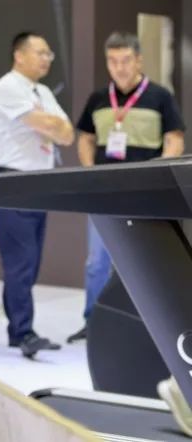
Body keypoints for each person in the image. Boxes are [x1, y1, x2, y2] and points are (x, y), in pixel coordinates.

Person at [67, 31, 185, 343]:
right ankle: (93, 324)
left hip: (144, 196)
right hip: (104, 194)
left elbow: (175, 139)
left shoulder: (160, 96)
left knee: (147, 263)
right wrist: (89, 172)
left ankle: (152, 326)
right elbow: (86, 138)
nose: (119, 67)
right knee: (97, 263)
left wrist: (155, 175)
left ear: (139, 61)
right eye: (113, 61)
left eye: (126, 60)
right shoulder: (98, 99)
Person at [0, 31, 74, 358]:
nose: (47, 58)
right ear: (19, 55)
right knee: (20, 262)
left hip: (38, 182)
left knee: (31, 261)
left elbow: (67, 134)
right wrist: (51, 124)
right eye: (41, 52)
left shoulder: (43, 91)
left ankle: (19, 330)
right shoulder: (8, 87)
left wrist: (51, 124)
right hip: (13, 182)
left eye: (49, 53)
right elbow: (51, 127)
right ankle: (23, 332)